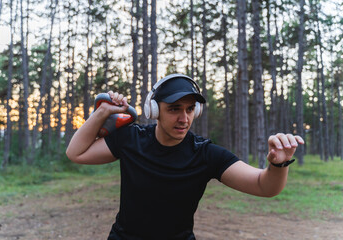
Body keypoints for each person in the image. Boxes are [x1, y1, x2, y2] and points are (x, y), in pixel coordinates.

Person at [66, 73, 304, 240]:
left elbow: (265, 186)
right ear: (154, 110)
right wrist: (103, 113)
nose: (184, 118)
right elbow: (76, 153)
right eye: (174, 109)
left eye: (190, 109)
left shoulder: (205, 153)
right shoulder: (131, 139)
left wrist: (279, 163)